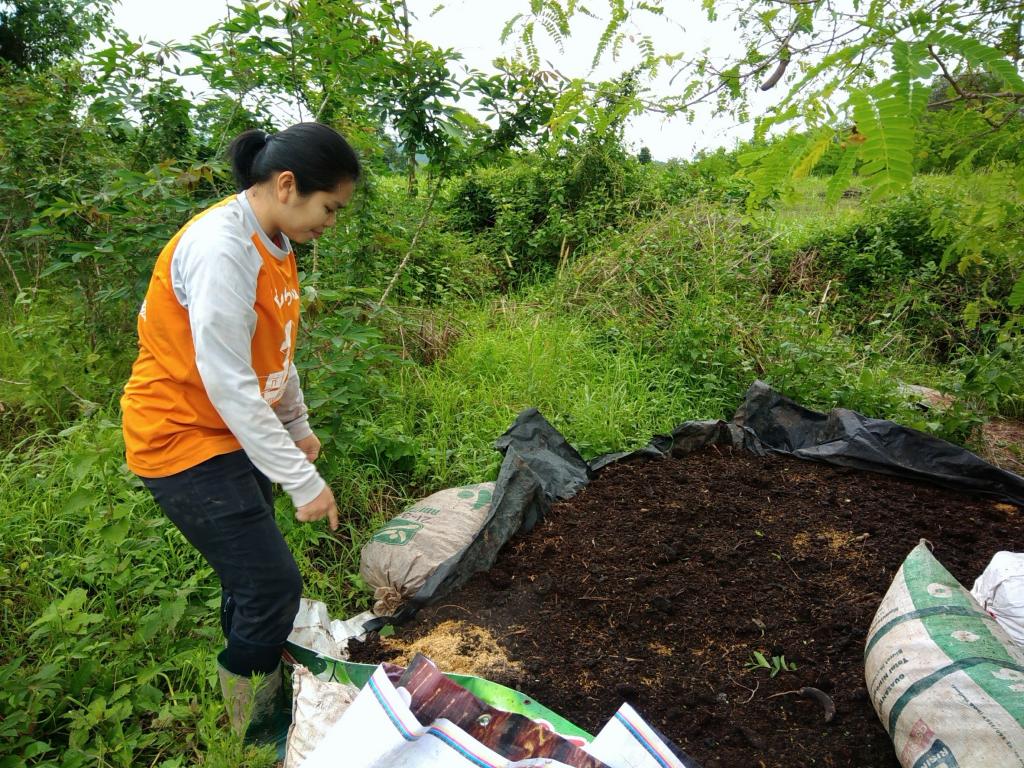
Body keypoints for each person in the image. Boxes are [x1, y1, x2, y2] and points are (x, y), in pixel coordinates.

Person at [120, 122, 361, 740]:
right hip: (181, 437)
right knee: (272, 585)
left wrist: (297, 423)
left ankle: (251, 698)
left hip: (230, 434)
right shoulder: (222, 248)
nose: (331, 222)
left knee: (251, 579)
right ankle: (250, 730)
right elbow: (228, 381)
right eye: (329, 207)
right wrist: (302, 481)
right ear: (287, 185)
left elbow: (277, 348)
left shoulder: (274, 243)